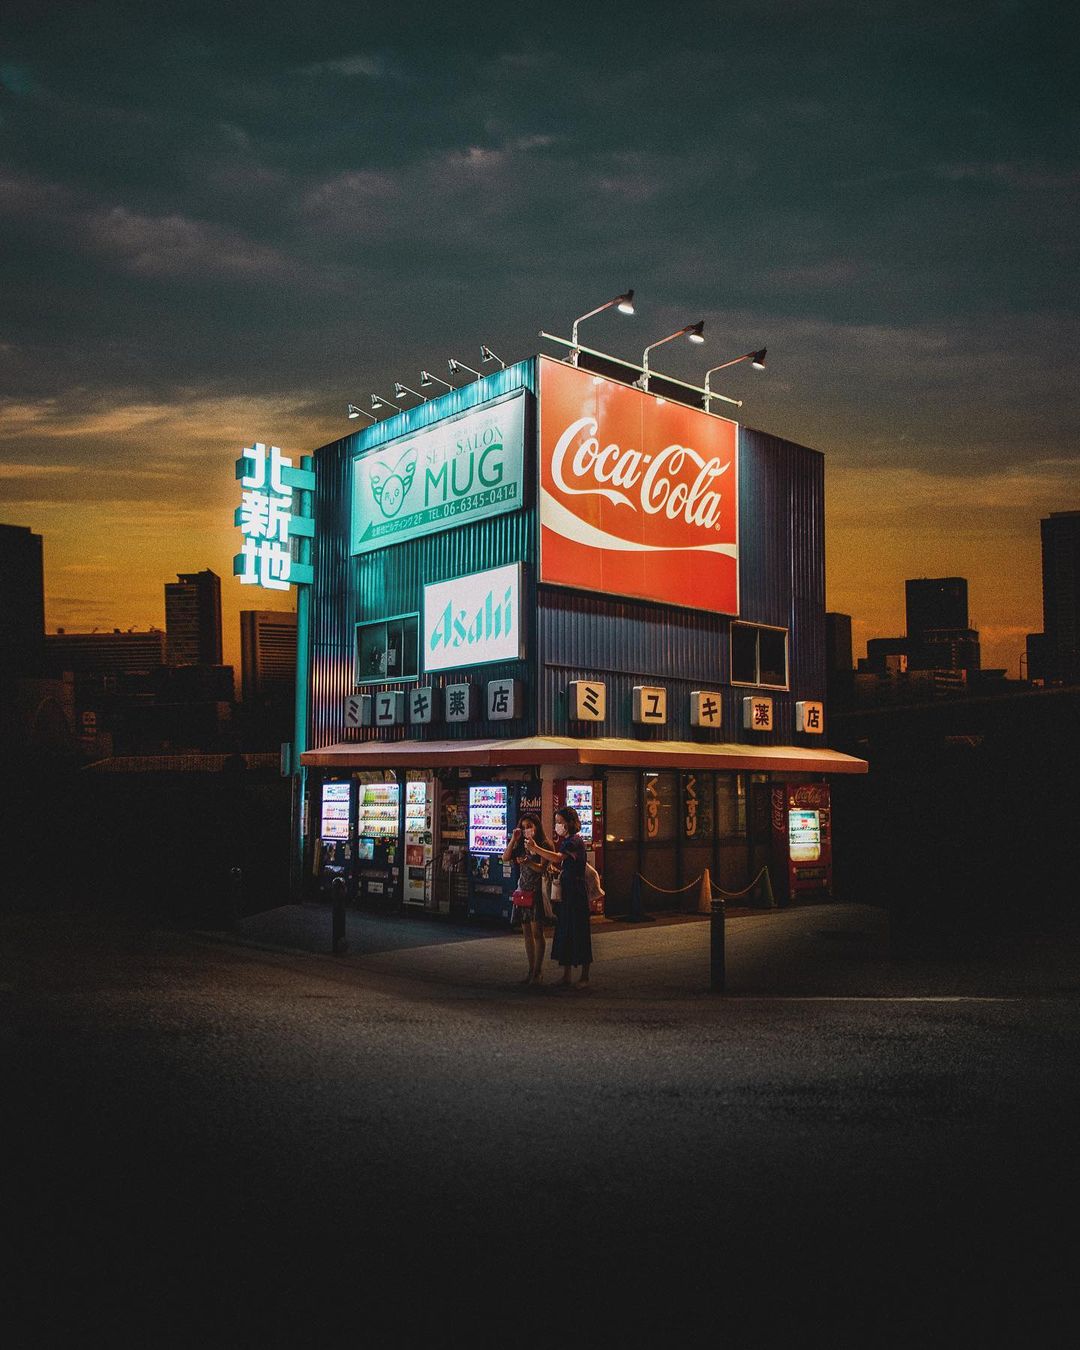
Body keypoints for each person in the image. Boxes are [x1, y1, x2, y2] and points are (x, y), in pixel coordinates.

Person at [526, 806, 592, 987]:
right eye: (556, 822)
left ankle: (584, 976)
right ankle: (567, 975)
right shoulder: (570, 841)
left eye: (560, 822)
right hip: (569, 891)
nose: (557, 826)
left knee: (578, 932)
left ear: (570, 823)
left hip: (576, 893)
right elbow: (564, 862)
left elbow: (557, 857)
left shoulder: (574, 841)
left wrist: (536, 849)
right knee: (566, 932)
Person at [502, 812, 554, 984]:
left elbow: (541, 869)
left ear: (537, 826)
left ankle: (538, 971)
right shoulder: (521, 844)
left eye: (529, 826)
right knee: (526, 934)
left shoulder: (545, 844)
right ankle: (530, 969)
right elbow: (505, 857)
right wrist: (513, 839)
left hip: (537, 891)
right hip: (523, 889)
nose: (527, 830)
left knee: (537, 932)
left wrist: (528, 861)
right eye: (523, 827)